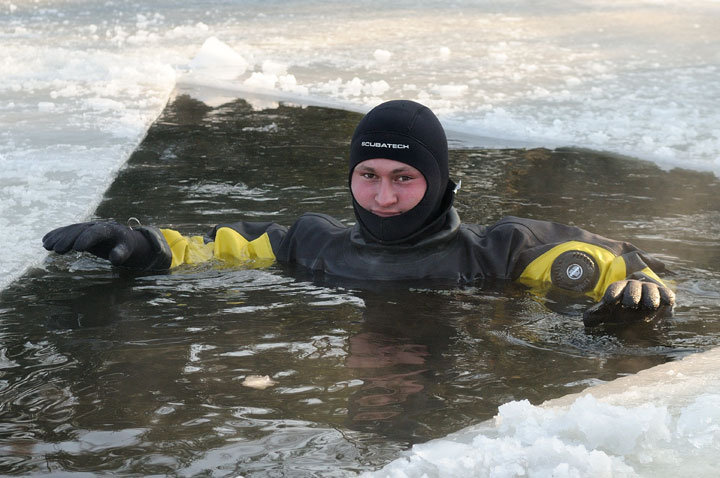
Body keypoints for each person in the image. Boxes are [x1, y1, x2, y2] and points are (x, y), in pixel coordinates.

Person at [42, 100, 675, 326]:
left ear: (440, 183)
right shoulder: (312, 245)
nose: (383, 197)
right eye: (367, 176)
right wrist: (140, 245)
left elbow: (608, 262)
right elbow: (215, 248)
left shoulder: (498, 254)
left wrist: (641, 292)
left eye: (405, 178)